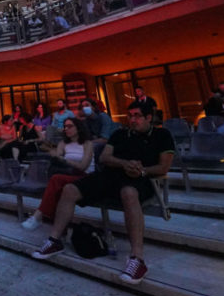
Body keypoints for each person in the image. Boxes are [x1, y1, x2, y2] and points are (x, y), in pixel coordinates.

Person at [30, 102, 174, 285]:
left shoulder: (162, 135)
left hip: (142, 179)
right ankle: (55, 240)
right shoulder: (120, 133)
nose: (132, 119)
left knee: (129, 192)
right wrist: (124, 164)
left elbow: (164, 166)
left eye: (137, 115)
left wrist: (142, 170)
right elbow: (105, 157)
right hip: (111, 175)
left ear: (148, 118)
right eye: (130, 116)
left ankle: (137, 259)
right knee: (69, 189)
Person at [21, 118, 94, 230]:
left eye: (70, 126)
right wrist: (55, 154)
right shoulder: (63, 143)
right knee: (57, 181)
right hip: (68, 174)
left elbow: (84, 166)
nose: (66, 129)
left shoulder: (87, 143)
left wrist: (65, 160)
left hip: (84, 176)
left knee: (56, 180)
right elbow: (58, 157)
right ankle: (51, 222)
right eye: (65, 126)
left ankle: (38, 216)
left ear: (78, 128)